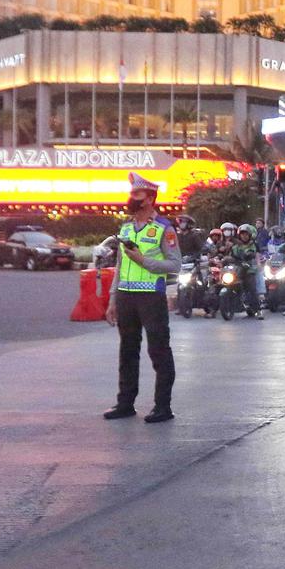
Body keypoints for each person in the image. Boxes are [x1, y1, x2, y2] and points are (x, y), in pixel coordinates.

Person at [103, 172, 181, 424]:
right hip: (126, 296)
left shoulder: (163, 229)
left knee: (158, 350)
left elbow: (174, 264)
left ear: (149, 199)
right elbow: (119, 265)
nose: (131, 198)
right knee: (127, 350)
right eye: (132, 193)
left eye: (137, 194)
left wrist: (144, 261)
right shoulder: (126, 228)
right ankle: (125, 403)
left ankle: (162, 406)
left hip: (151, 296)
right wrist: (112, 299)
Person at [231, 224, 264, 319]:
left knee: (252, 289)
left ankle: (258, 310)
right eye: (242, 234)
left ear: (249, 235)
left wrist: (258, 265)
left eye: (246, 234)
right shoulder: (235, 246)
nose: (244, 236)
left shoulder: (254, 245)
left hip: (250, 270)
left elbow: (257, 256)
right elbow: (231, 257)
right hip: (237, 270)